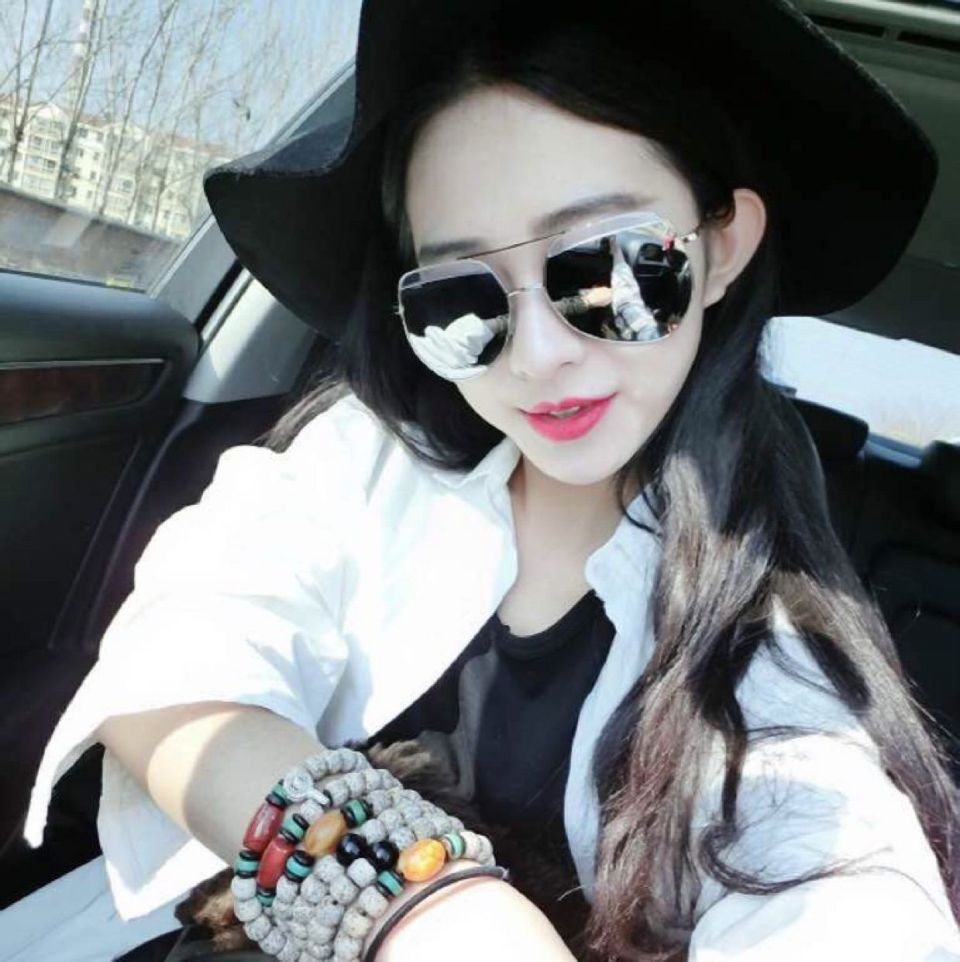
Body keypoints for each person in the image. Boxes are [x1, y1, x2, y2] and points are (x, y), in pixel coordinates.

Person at [3, 2, 960, 960]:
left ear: (721, 251)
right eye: (461, 298)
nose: (538, 355)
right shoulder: (366, 463)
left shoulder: (770, 647)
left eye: (609, 270)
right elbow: (173, 662)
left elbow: (842, 883)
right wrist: (415, 897)